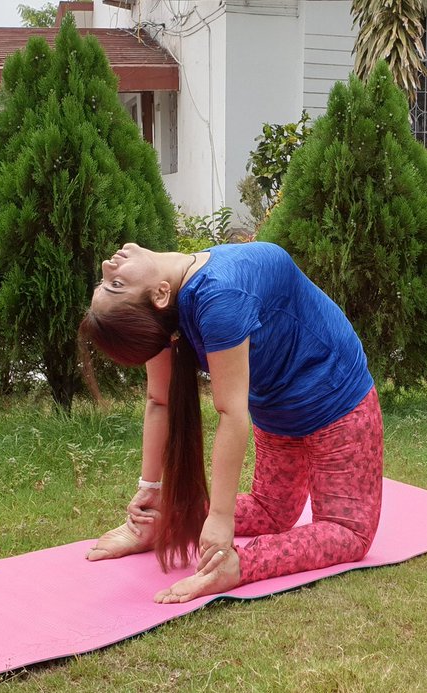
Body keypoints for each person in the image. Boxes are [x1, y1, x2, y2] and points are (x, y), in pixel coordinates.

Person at [78, 241, 383, 604]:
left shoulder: (213, 290)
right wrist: (154, 497)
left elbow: (227, 412)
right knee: (335, 529)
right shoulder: (180, 311)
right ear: (159, 295)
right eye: (112, 285)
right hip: (301, 410)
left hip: (334, 402)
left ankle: (207, 540)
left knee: (321, 525)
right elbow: (161, 400)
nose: (107, 267)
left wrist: (220, 519)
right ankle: (196, 540)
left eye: (107, 283)